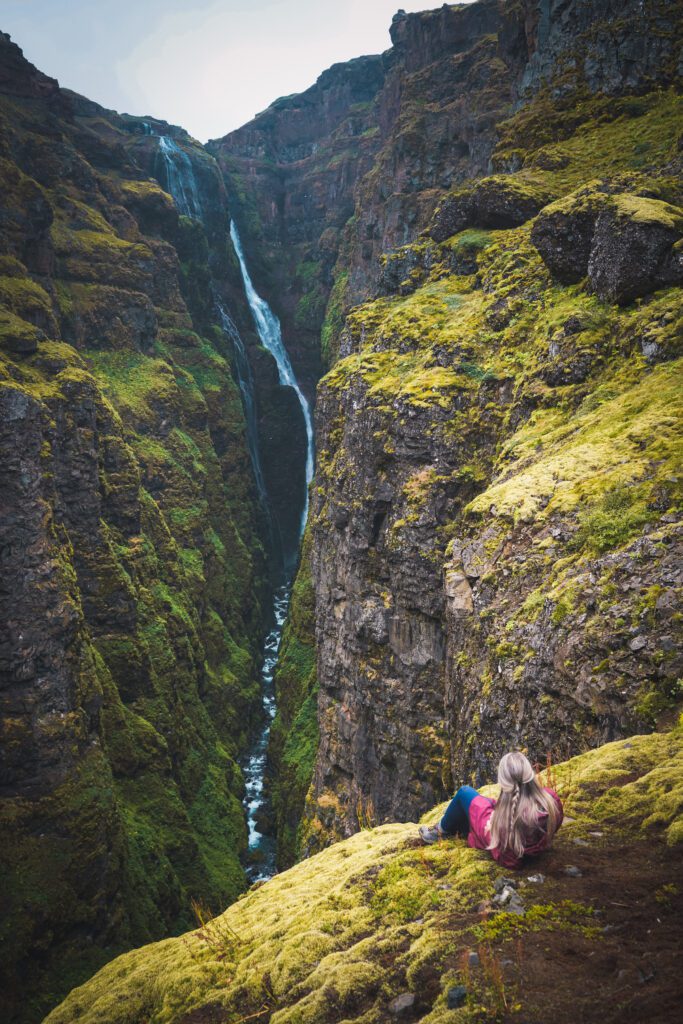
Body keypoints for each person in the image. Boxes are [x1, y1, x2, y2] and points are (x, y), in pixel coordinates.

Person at [418, 751, 563, 869]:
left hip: (500, 833)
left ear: (503, 783)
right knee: (488, 802)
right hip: (519, 837)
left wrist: (492, 826)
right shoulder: (552, 801)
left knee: (464, 793)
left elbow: (509, 860)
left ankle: (440, 831)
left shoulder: (502, 825)